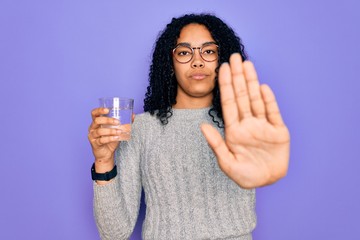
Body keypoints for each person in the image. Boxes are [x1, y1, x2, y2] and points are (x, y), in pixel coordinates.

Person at [88, 13, 290, 240]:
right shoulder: (141, 128)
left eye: (209, 51)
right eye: (184, 52)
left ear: (222, 59)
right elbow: (113, 233)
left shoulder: (244, 125)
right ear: (170, 64)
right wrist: (104, 161)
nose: (197, 61)